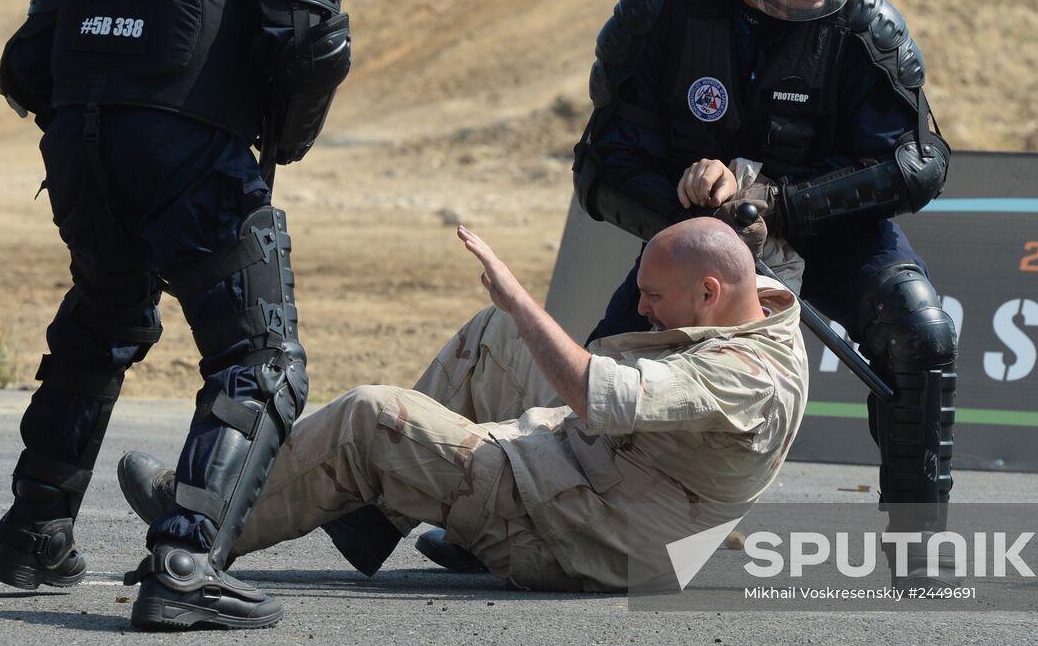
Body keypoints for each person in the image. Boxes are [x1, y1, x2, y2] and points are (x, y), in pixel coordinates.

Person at [0, 0, 351, 630]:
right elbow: (310, 34)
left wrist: (99, 126)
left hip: (80, 150)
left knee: (103, 321)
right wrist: (278, 143)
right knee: (261, 362)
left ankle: (34, 535)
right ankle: (186, 564)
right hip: (190, 151)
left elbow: (24, 63)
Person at [571, 0, 958, 581]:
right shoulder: (659, 20)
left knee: (923, 334)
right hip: (701, 250)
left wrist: (781, 206)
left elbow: (918, 163)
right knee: (597, 373)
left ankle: (919, 552)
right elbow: (601, 168)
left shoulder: (863, 23)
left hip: (833, 234)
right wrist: (687, 205)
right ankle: (505, 513)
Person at [116, 219, 808, 591]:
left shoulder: (745, 374)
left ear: (710, 293)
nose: (643, 305)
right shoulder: (758, 308)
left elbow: (600, 398)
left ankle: (203, 527)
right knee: (497, 336)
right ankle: (370, 516)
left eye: (653, 294)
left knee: (372, 418)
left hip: (585, 535)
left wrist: (519, 295)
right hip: (604, 472)